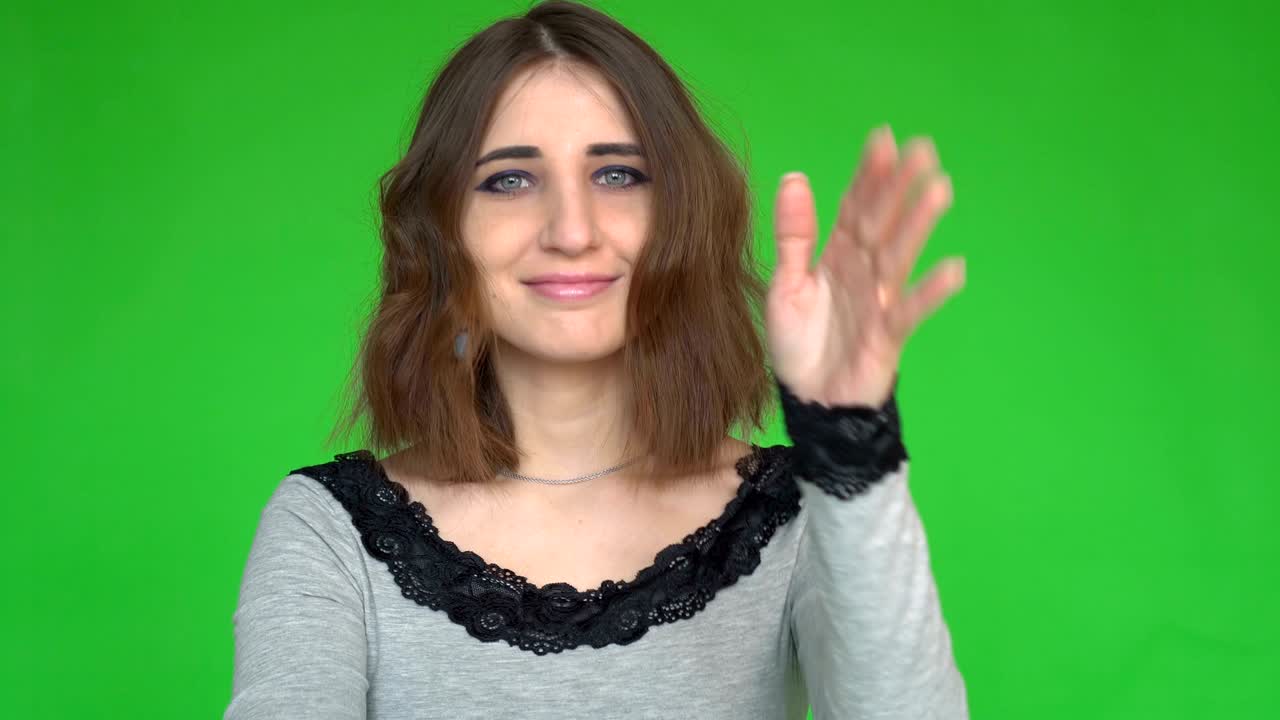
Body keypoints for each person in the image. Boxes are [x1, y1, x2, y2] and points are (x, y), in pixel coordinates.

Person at [224, 1, 970, 718]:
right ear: (441, 229)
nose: (572, 231)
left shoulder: (801, 516)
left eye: (618, 174)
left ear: (679, 212)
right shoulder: (329, 531)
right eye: (509, 180)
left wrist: (846, 429)